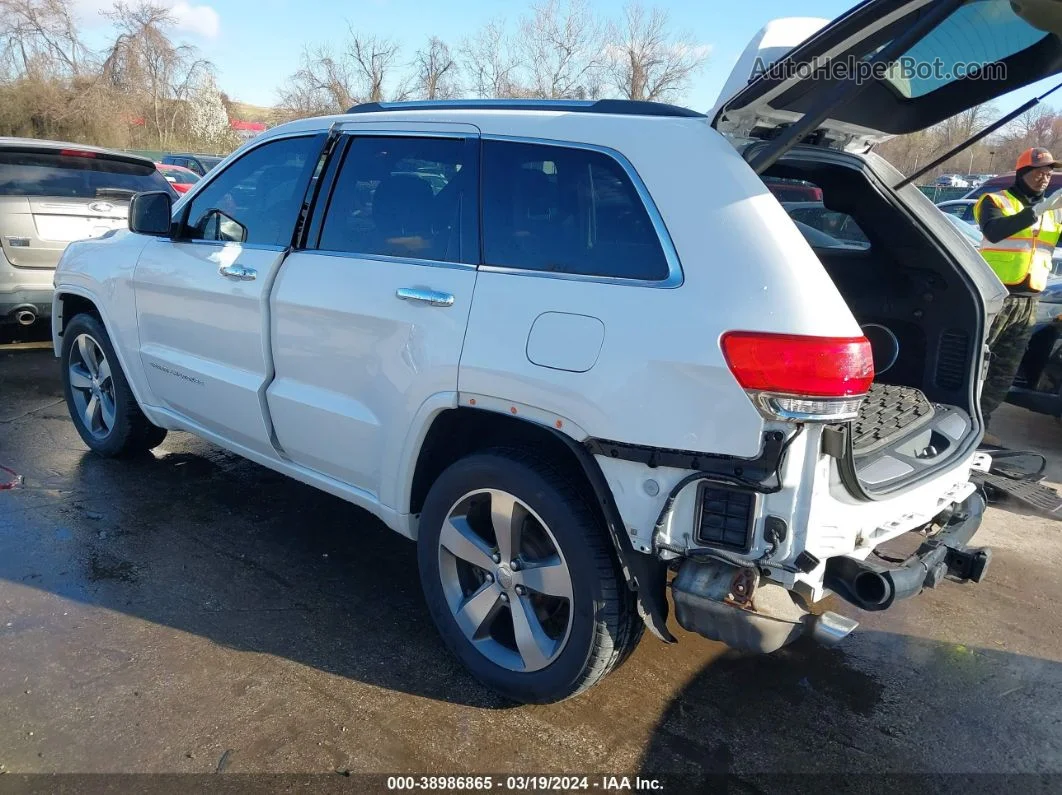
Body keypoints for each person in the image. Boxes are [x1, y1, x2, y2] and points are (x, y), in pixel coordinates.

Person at [973, 147, 1062, 443]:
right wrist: (1035, 212)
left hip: (1029, 301)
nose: (1044, 177)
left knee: (1004, 369)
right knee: (978, 361)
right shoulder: (995, 201)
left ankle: (981, 425)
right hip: (997, 297)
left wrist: (1047, 210)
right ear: (1023, 173)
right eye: (1038, 171)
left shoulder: (1054, 212)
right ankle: (961, 418)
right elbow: (995, 231)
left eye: (1049, 173)